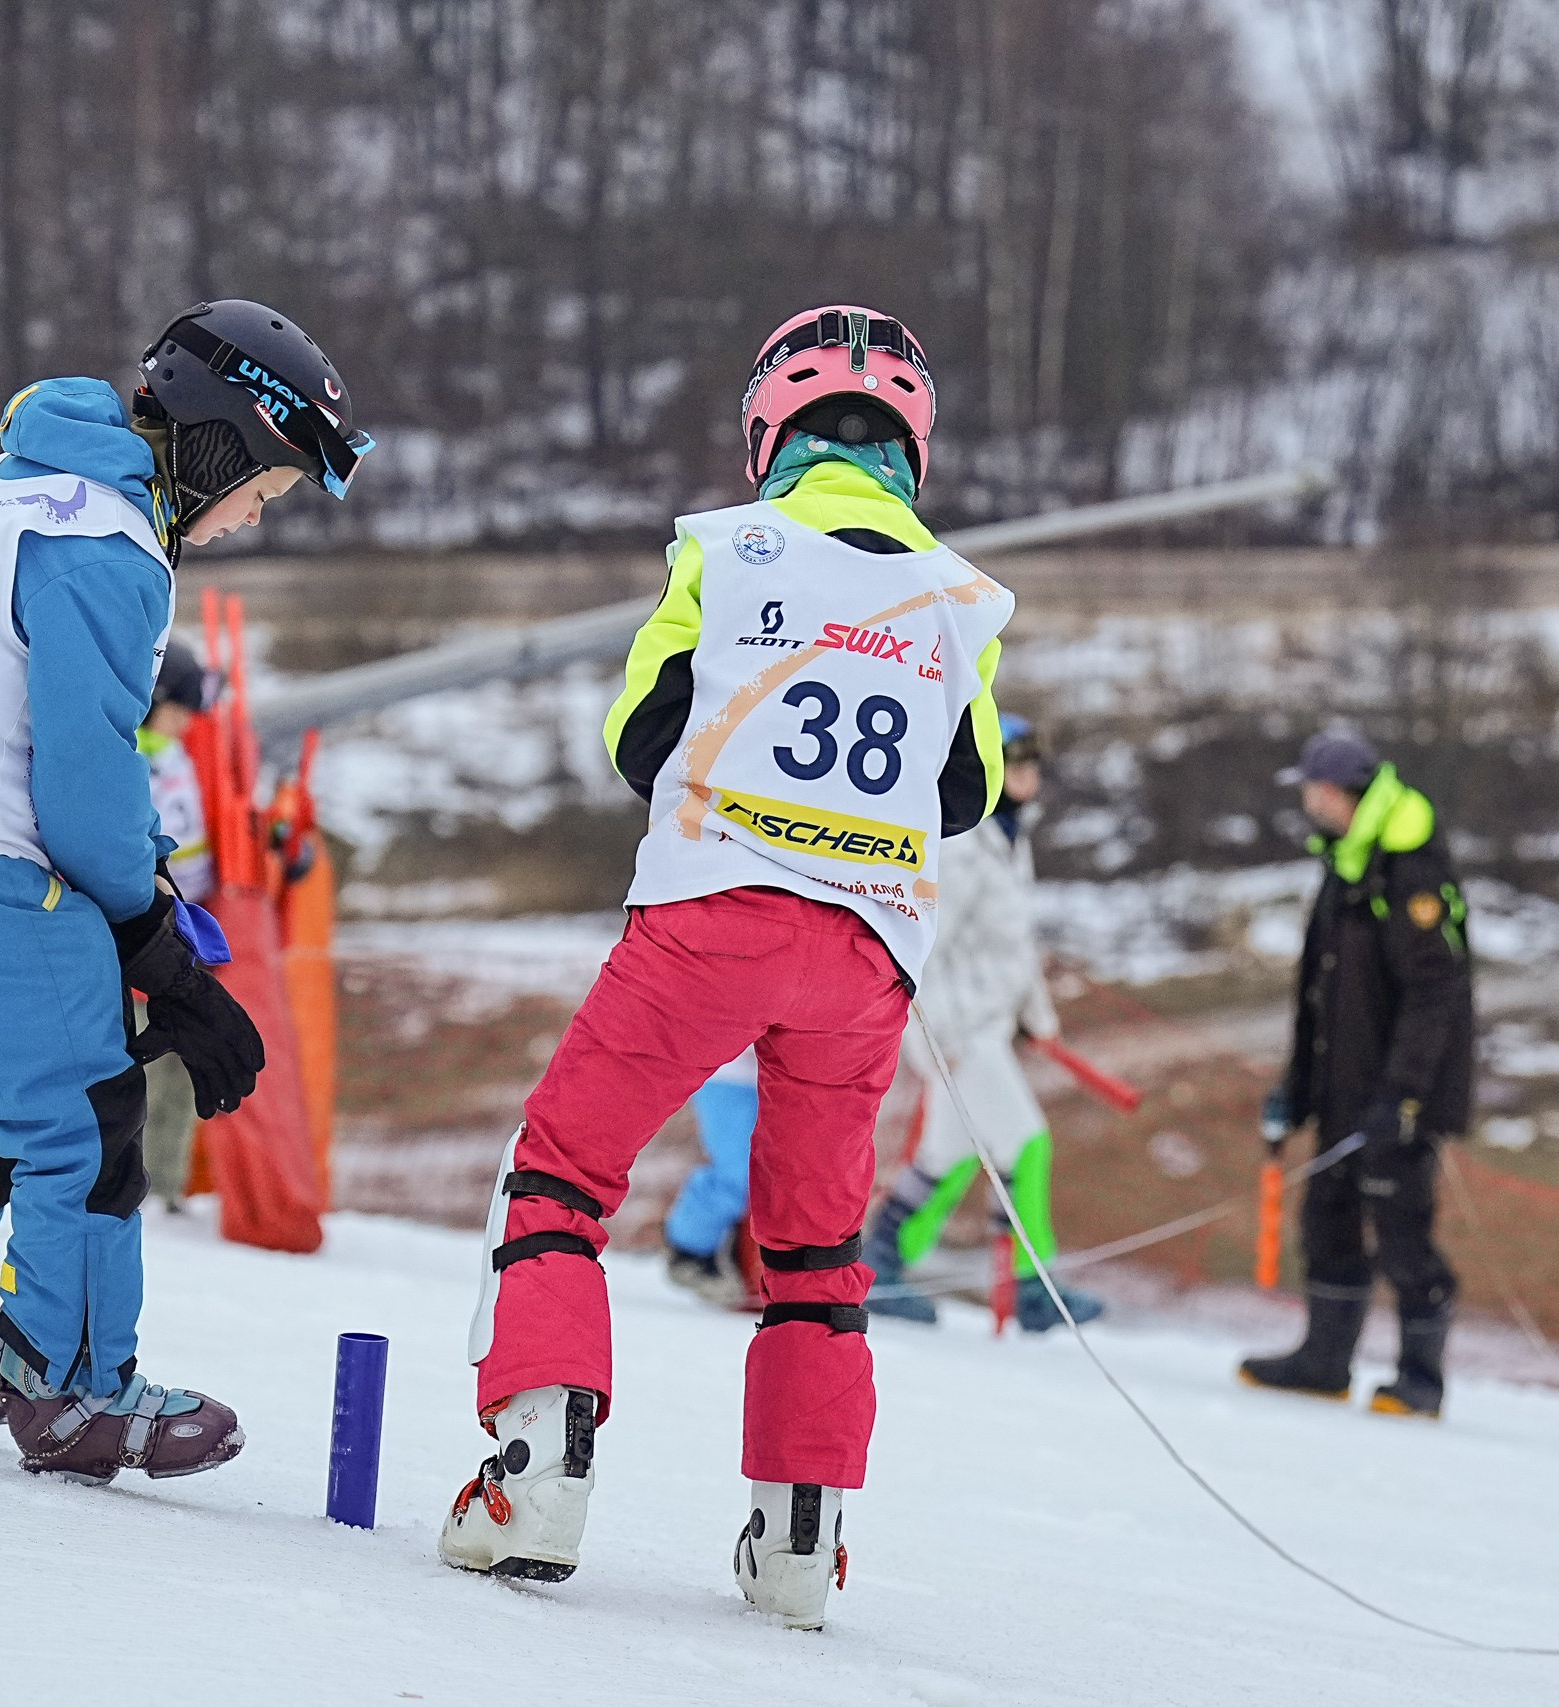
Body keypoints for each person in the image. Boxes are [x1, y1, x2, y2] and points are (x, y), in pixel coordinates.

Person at [438, 305, 1014, 1631]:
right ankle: (799, 1540)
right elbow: (967, 790)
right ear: (912, 448)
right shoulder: (963, 596)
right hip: (865, 953)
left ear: (771, 432)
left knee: (562, 1172)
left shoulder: (724, 546)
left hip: (711, 915)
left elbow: (640, 737)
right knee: (815, 1246)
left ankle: (535, 1474)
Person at [0, 299, 372, 1484]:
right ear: (221, 443)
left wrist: (142, 912)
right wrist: (153, 936)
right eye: (263, 491)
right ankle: (76, 1395)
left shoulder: (15, 479)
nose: (249, 520)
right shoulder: (110, 545)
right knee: (83, 1119)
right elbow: (81, 772)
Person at [1240, 729, 1473, 1419]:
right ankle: (1324, 1361)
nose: (1308, 804)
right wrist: (1297, 1088)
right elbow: (1321, 989)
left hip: (1398, 1093)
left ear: (1340, 792)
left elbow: (1435, 993)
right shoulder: (1347, 860)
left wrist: (1402, 1096)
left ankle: (1420, 1380)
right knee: (1329, 1216)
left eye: (1313, 790)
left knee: (1400, 1225)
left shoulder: (1408, 866)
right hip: (1345, 1083)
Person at [861, 714, 1103, 1331]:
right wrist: (938, 1038)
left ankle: (877, 1265)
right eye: (1015, 762)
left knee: (949, 1154)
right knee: (1026, 1143)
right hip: (960, 1033)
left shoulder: (1009, 838)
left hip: (986, 1026)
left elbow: (1014, 946)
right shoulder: (962, 845)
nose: (1028, 774)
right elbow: (924, 945)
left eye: (1033, 763)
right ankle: (1033, 1288)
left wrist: (1038, 1020)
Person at [139, 645, 216, 1212]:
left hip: (188, 932)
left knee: (184, 1069)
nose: (186, 723)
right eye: (178, 711)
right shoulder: (130, 753)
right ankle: (137, 1181)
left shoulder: (178, 754)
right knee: (144, 1068)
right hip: (147, 934)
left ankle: (169, 1186)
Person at [662, 1046, 760, 1308]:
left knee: (769, 1180)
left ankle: (747, 1267)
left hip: (776, 1078)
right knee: (739, 1174)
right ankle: (689, 1251)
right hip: (731, 1073)